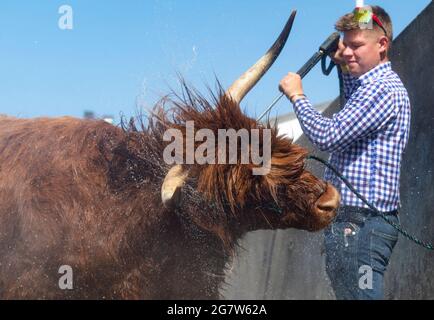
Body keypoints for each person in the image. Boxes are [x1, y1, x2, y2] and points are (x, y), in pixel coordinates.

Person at [279, 5, 411, 300]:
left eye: (356, 45)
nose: (348, 52)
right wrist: (343, 64)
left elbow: (328, 136)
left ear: (382, 44)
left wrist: (297, 96)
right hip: (359, 226)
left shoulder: (382, 90)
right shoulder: (372, 88)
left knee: (362, 295)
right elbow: (353, 105)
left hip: (360, 228)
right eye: (345, 45)